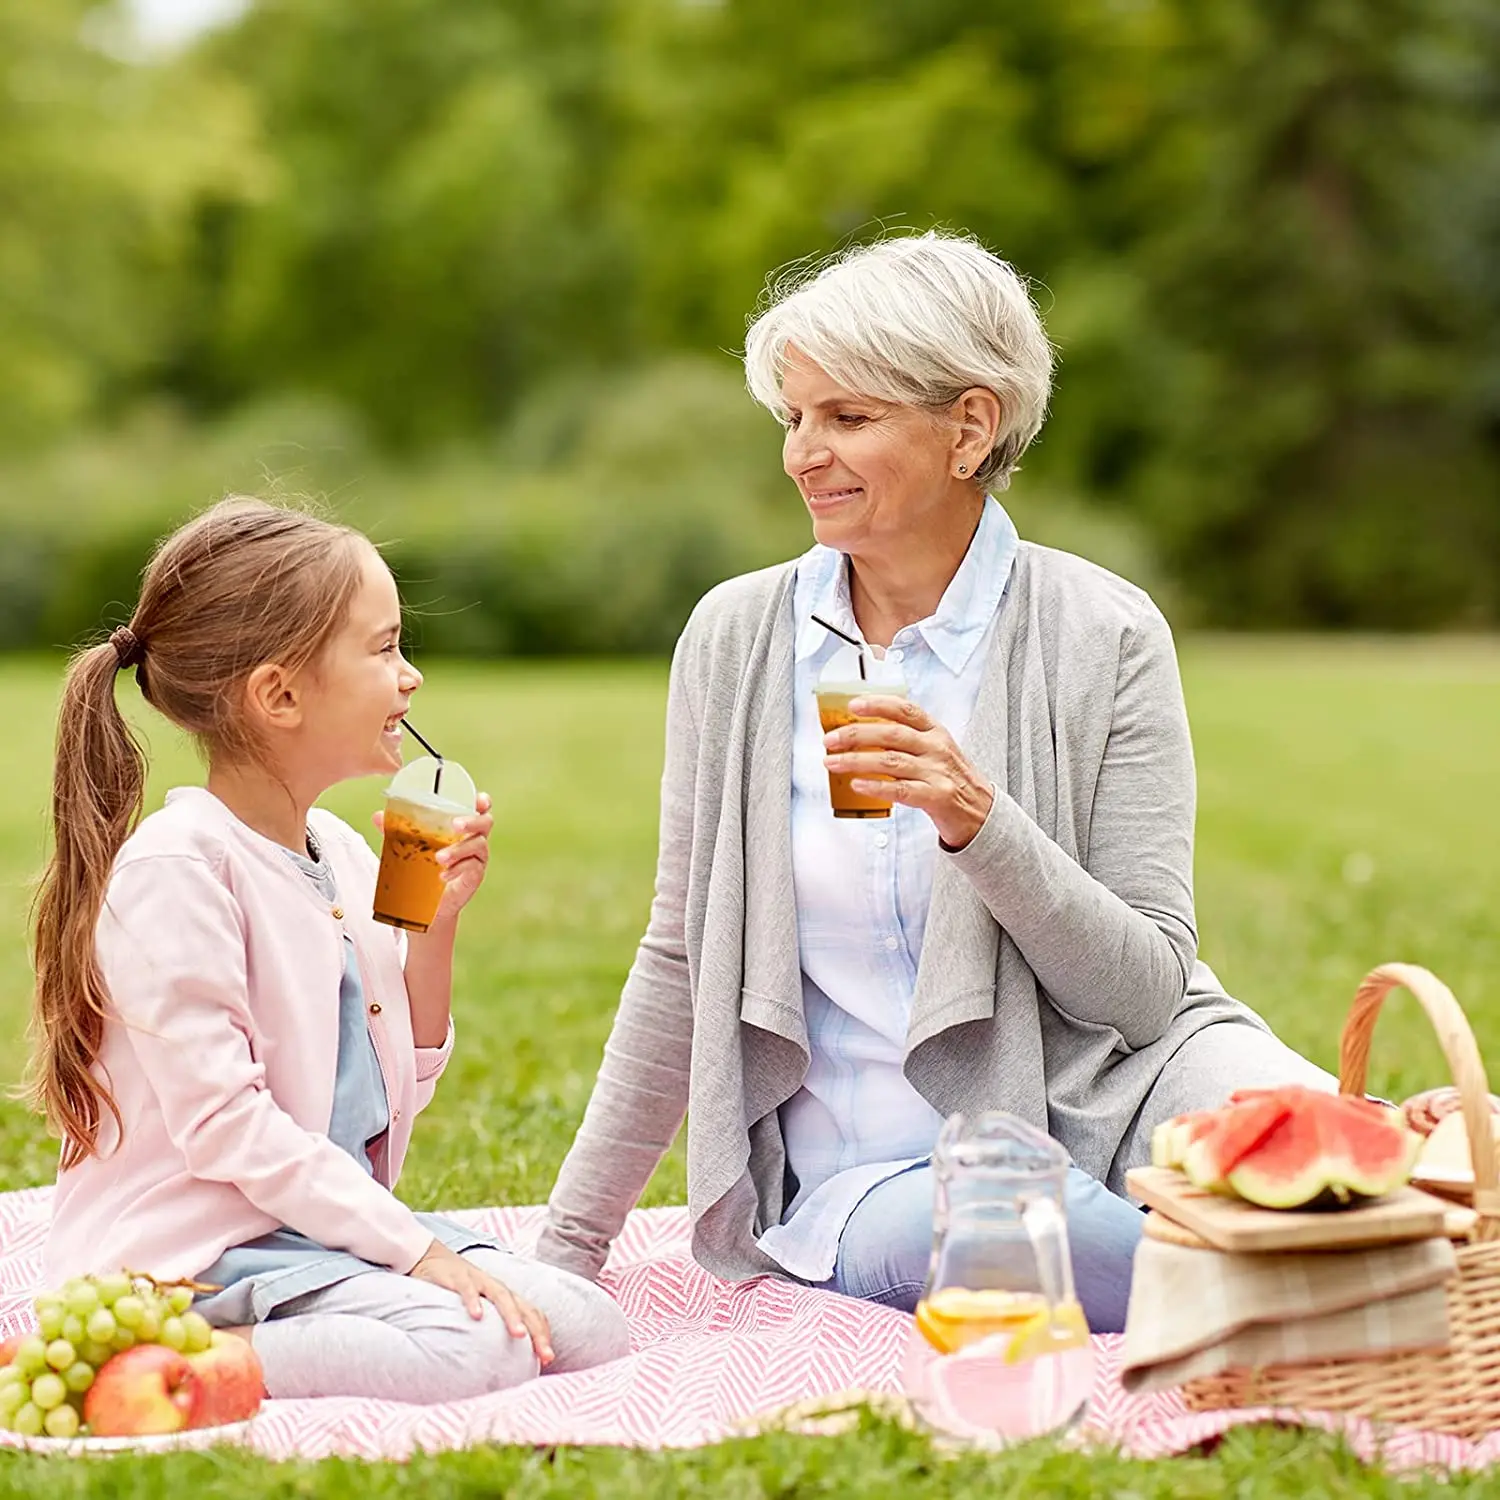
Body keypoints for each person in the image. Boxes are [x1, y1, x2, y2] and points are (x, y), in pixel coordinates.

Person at [536, 232, 1332, 1333]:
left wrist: (980, 822)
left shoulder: (1104, 631)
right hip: (884, 1170)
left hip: (1128, 1078)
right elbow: (683, 954)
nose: (803, 454)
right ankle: (1320, 1294)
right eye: (794, 418)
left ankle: (1352, 1267)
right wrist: (567, 1248)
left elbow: (1144, 994)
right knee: (1021, 1232)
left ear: (970, 427)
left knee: (1375, 1176)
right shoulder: (737, 640)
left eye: (847, 418)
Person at [32, 498, 628, 1402]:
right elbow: (227, 1127)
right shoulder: (179, 872)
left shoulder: (343, 853)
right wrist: (419, 1253)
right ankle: (158, 1369)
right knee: (484, 1352)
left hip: (318, 1228)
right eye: (384, 649)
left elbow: (401, 1086)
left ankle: (346, 1309)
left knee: (586, 1325)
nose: (411, 676)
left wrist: (432, 928)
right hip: (199, 1257)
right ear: (279, 695)